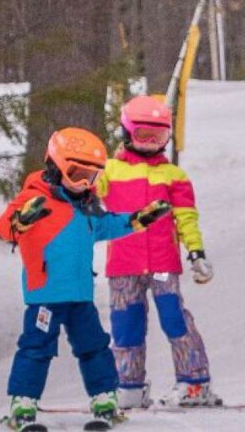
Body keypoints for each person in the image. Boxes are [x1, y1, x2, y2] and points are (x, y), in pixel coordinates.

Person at [0, 127, 174, 430]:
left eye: (90, 177)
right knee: (36, 348)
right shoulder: (35, 198)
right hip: (45, 296)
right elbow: (4, 227)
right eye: (76, 173)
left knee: (94, 346)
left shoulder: (86, 208)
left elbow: (109, 226)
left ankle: (105, 397)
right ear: (56, 165)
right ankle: (22, 403)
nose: (83, 183)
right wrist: (21, 221)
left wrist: (137, 219)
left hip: (80, 296)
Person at [97, 96, 220, 408]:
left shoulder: (173, 175)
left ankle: (195, 381)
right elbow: (86, 195)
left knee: (173, 318)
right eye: (143, 136)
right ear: (127, 133)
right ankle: (128, 385)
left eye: (160, 137)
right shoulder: (110, 171)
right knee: (126, 323)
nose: (151, 144)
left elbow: (186, 217)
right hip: (123, 263)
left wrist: (196, 251)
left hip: (162, 263)